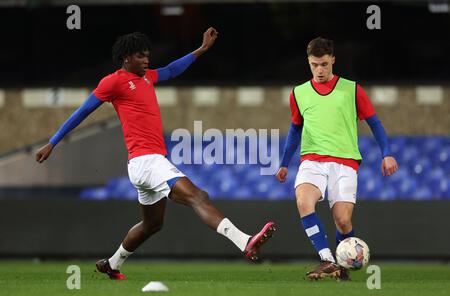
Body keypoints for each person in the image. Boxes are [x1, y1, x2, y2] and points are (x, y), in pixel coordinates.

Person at [35, 27, 276, 280]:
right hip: (147, 160)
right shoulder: (113, 81)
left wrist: (201, 50)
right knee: (197, 195)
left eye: (148, 55)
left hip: (145, 164)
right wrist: (52, 142)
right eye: (141, 56)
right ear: (127, 58)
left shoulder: (148, 77)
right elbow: (83, 111)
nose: (147, 60)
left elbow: (172, 70)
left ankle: (112, 264)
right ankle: (244, 241)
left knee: (152, 225)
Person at [276, 37, 398, 281]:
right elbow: (294, 130)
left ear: (333, 59)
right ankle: (327, 260)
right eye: (314, 65)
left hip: (345, 163)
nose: (319, 70)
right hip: (312, 160)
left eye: (323, 64)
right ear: (308, 62)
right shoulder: (299, 93)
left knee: (343, 221)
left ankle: (343, 266)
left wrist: (387, 153)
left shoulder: (352, 89)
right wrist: (283, 162)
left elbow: (374, 122)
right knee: (303, 202)